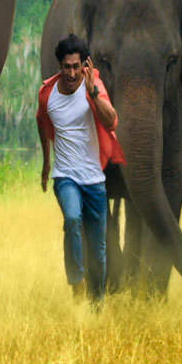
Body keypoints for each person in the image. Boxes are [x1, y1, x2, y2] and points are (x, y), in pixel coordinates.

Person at [36, 34, 124, 304]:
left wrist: (94, 94)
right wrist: (46, 161)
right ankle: (76, 283)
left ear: (85, 65)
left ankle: (97, 305)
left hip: (94, 179)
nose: (72, 73)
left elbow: (111, 121)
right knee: (73, 219)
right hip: (65, 177)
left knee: (98, 249)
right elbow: (42, 124)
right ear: (59, 66)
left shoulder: (93, 86)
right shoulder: (48, 94)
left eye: (76, 67)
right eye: (67, 67)